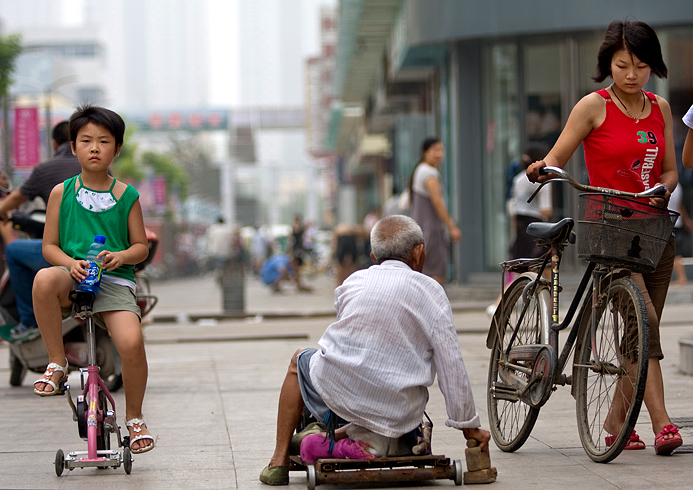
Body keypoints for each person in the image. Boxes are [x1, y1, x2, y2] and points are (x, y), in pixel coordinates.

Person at [527, 20, 681, 455]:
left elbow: (669, 167)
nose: (631, 75)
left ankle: (616, 422)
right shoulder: (592, 107)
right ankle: (662, 423)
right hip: (610, 229)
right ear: (607, 65)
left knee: (638, 334)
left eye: (641, 66)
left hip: (654, 231)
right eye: (622, 65)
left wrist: (664, 186)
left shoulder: (661, 108)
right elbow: (557, 156)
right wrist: (542, 167)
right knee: (644, 321)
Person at [259, 215, 490, 485]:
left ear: (372, 256)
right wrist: (470, 429)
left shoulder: (352, 283)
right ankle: (368, 438)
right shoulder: (432, 291)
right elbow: (452, 366)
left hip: (341, 392)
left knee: (298, 359)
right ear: (419, 251)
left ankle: (278, 461)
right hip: (400, 408)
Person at [31, 104, 154, 454]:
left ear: (117, 148)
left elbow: (141, 246)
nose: (95, 148)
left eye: (104, 141)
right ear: (73, 147)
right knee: (42, 279)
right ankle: (57, 362)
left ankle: (135, 417)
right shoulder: (61, 192)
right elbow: (50, 247)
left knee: (131, 343)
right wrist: (70, 264)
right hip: (72, 279)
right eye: (86, 140)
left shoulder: (126, 195)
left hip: (114, 284)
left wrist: (122, 256)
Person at [2, 121, 82, 341]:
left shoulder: (45, 170)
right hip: (97, 253)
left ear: (55, 143)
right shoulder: (103, 173)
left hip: (67, 253)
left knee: (15, 250)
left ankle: (28, 321)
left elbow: (15, 198)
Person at [487, 144, 552, 316]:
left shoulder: (517, 179)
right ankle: (549, 311)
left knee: (521, 271)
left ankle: (498, 304)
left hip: (522, 227)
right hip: (538, 228)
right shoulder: (543, 179)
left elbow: (513, 209)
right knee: (547, 269)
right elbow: (546, 210)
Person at [408, 137, 461, 284]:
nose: (439, 154)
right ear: (424, 152)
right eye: (435, 150)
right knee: (436, 274)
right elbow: (438, 202)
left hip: (421, 230)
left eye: (441, 150)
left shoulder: (419, 170)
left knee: (423, 272)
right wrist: (452, 226)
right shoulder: (429, 173)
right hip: (431, 231)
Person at [669, 186, 692, 285]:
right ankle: (681, 277)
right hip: (676, 221)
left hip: (670, 222)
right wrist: (685, 219)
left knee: (675, 252)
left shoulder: (668, 186)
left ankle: (681, 277)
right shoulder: (678, 186)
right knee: (675, 251)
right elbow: (680, 205)